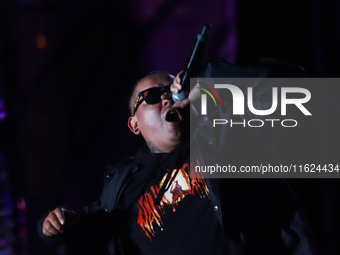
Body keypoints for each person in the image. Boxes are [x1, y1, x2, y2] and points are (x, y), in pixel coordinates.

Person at [38, 58, 317, 255]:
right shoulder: (120, 191)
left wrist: (206, 80)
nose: (166, 98)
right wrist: (53, 226)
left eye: (171, 90)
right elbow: (78, 236)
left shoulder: (223, 136)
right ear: (134, 124)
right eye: (151, 95)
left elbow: (291, 80)